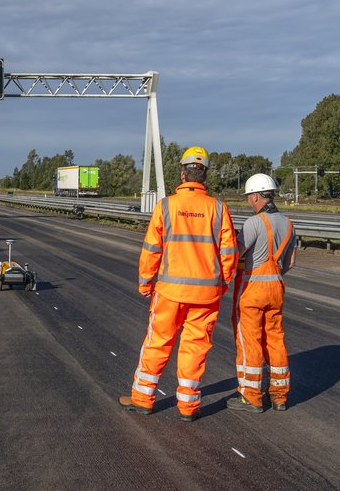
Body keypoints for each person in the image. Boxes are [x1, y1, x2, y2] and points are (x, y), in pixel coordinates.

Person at [118, 146, 238, 422]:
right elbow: (229, 253)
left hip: (170, 291)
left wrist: (146, 283)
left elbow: (151, 249)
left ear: (183, 173)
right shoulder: (218, 208)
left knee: (158, 343)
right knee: (196, 347)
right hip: (207, 293)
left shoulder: (166, 206)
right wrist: (222, 284)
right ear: (204, 175)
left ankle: (143, 399)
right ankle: (188, 406)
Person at [227, 173, 296, 413]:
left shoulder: (253, 223)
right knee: (275, 340)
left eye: (249, 197)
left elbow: (235, 253)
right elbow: (290, 262)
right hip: (276, 288)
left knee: (250, 342)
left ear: (256, 196)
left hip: (252, 289)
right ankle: (279, 396)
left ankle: (251, 396)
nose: (248, 201)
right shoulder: (288, 224)